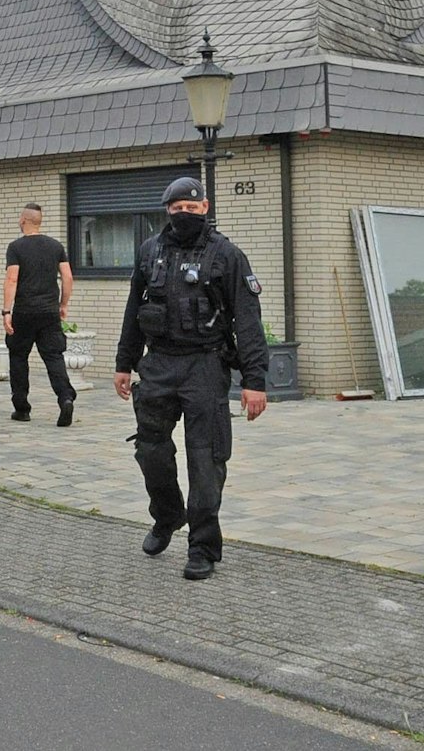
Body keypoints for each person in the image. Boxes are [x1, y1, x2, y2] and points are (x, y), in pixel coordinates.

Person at [113, 177, 268, 580]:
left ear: (206, 208)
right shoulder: (150, 252)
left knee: (206, 460)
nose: (185, 214)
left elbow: (249, 322)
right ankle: (167, 516)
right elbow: (134, 310)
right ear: (167, 210)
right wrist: (123, 363)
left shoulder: (227, 255)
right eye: (177, 208)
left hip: (204, 366)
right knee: (151, 451)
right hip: (158, 365)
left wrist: (255, 381)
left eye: (192, 208)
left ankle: (202, 547)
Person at [1, 203, 76, 426]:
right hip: (49, 312)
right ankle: (65, 398)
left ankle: (22, 408)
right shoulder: (55, 246)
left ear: (23, 220)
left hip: (24, 312)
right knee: (54, 357)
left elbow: (12, 279)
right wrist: (63, 304)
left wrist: (6, 311)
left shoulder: (16, 247)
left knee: (18, 357)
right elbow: (68, 277)